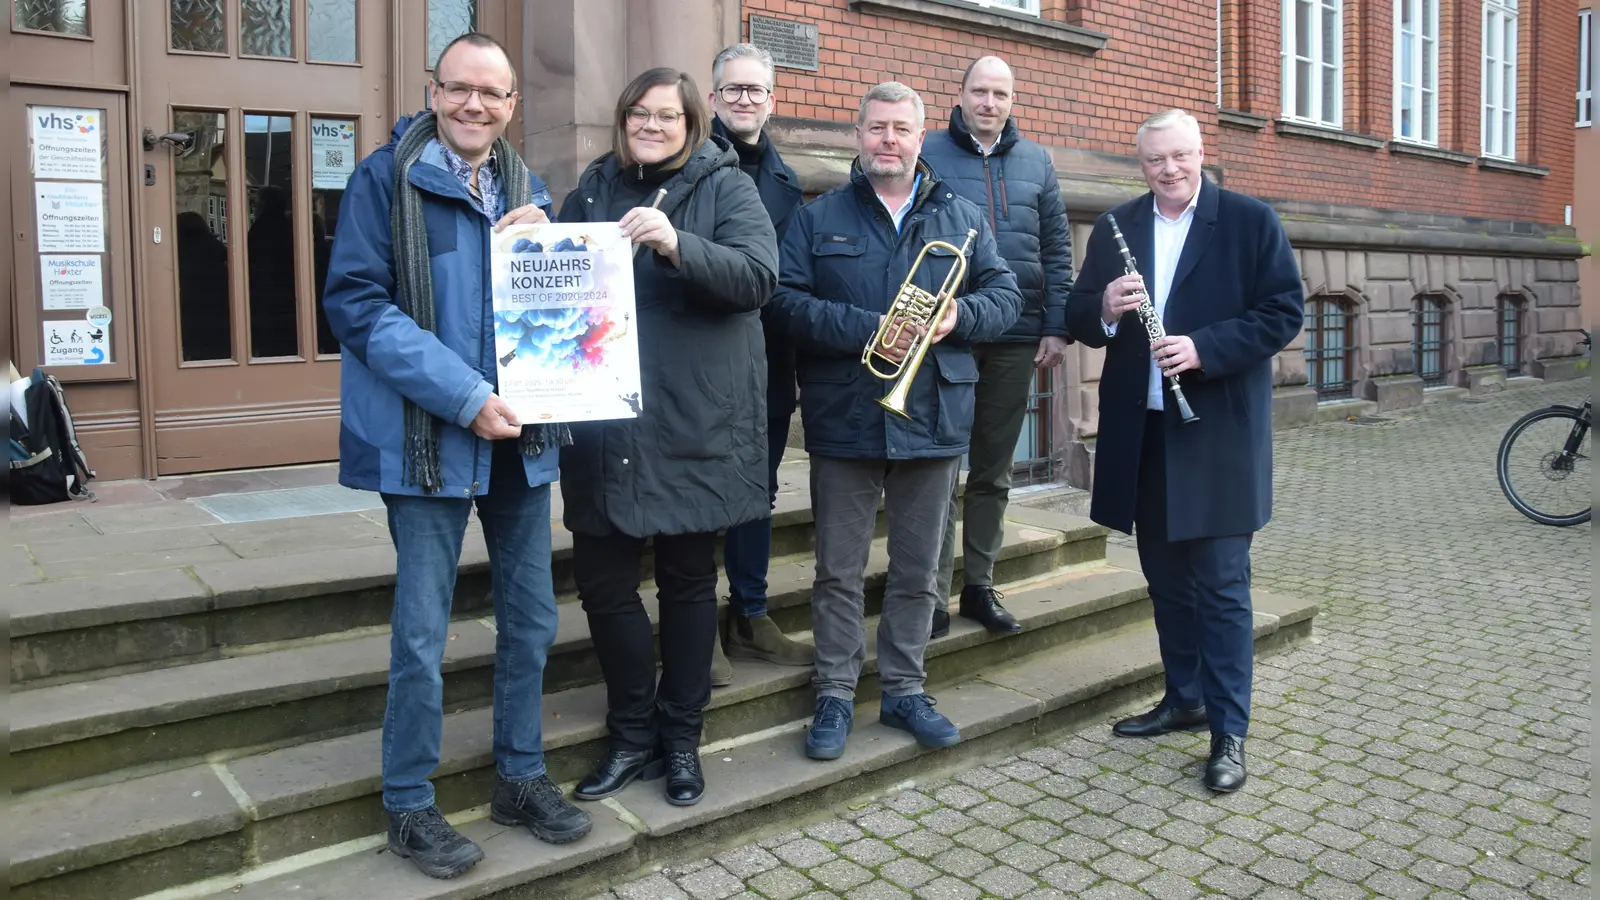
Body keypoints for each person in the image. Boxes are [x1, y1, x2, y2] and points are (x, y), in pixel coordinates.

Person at [322, 33, 590, 880]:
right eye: (460, 88)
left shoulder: (530, 190)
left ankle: (518, 777)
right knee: (421, 632)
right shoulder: (384, 179)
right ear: (434, 91)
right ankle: (408, 802)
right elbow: (359, 309)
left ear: (513, 105)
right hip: (428, 442)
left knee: (533, 621)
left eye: (493, 94)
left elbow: (554, 318)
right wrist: (465, 397)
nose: (476, 105)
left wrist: (549, 250)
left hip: (520, 443)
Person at [770, 81, 1023, 761]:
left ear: (920, 138)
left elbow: (1006, 298)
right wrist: (871, 331)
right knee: (837, 570)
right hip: (846, 413)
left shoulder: (963, 218)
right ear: (858, 136)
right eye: (876, 128)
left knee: (918, 570)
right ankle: (833, 693)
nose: (888, 139)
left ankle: (907, 689)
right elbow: (784, 305)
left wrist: (957, 317)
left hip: (933, 412)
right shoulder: (816, 219)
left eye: (901, 129)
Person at [1064, 109, 1304, 793]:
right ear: (1139, 164)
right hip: (1144, 436)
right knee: (1165, 580)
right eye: (1153, 161)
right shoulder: (1118, 226)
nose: (1168, 170)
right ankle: (1185, 698)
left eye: (1179, 156)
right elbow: (1079, 314)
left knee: (1223, 587)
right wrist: (1106, 307)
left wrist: (1204, 348)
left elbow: (1283, 311)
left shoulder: (1250, 221)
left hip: (1217, 433)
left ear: (1201, 152)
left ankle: (1230, 732)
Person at [557, 67, 778, 808]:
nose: (651, 126)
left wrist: (679, 244)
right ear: (623, 121)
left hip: (691, 421)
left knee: (687, 586)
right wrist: (533, 239)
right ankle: (629, 735)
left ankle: (681, 739)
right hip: (605, 423)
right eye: (639, 115)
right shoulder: (591, 189)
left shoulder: (726, 187)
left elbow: (756, 278)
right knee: (605, 587)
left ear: (692, 124)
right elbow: (557, 288)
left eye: (667, 117)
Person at [921, 55, 1074, 639]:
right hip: (948, 332)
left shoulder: (1038, 161)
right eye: (979, 92)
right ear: (959, 95)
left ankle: (978, 585)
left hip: (1016, 334)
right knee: (938, 468)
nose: (989, 103)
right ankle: (930, 593)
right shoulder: (928, 150)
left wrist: (1056, 325)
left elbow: (1057, 249)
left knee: (992, 469)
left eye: (1001, 94)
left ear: (1013, 100)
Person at [704, 43, 814, 685]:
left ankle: (749, 614)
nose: (745, 99)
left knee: (756, 492)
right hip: (700, 363)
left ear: (773, 99)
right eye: (733, 89)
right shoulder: (689, 160)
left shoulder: (786, 181)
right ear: (713, 96)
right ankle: (695, 625)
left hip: (767, 366)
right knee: (693, 494)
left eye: (757, 90)